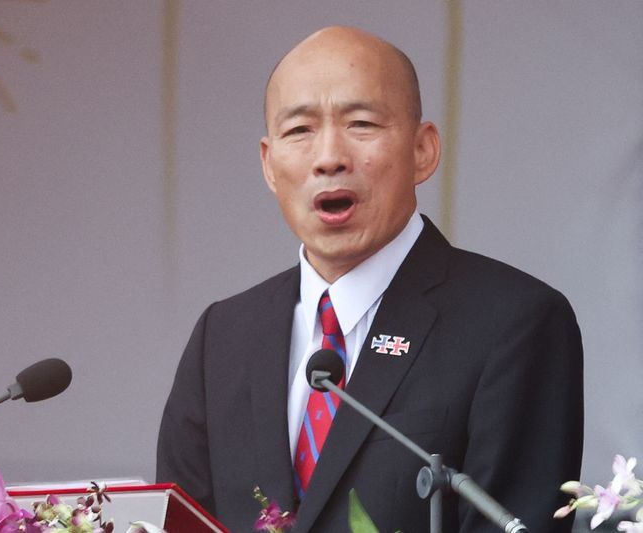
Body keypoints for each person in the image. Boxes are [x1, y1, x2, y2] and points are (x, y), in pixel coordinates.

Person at [157, 26, 583, 533]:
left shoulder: (514, 322)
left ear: (423, 150)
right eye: (300, 131)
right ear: (270, 166)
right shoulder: (223, 337)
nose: (329, 157)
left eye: (361, 123)